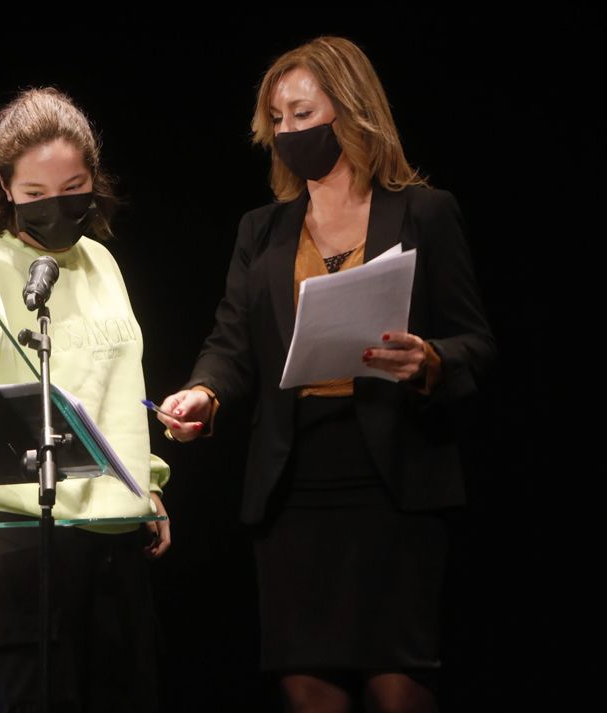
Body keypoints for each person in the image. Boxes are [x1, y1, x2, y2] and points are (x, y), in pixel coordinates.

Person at [155, 37, 496, 713]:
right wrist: (204, 391)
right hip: (295, 487)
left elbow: (476, 342)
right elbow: (231, 342)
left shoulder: (424, 212)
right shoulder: (263, 231)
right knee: (309, 689)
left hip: (395, 478)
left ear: (351, 111)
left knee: (397, 687)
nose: (286, 132)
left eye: (301, 113)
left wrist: (432, 359)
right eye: (276, 120)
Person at [0, 87, 170, 713]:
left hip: (112, 533)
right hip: (20, 538)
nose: (55, 206)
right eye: (35, 195)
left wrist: (150, 484)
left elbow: (118, 389)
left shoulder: (103, 265)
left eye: (73, 187)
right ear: (5, 189)